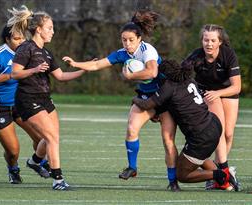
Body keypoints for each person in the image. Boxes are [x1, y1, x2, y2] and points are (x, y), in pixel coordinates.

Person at [63, 10, 180, 191]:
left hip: (164, 97)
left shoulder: (147, 50)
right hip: (145, 96)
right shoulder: (122, 53)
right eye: (124, 40)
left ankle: (173, 181)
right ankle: (132, 168)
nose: (127, 43)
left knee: (167, 140)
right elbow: (96, 64)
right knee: (131, 129)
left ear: (139, 38)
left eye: (131, 40)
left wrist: (130, 76)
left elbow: (152, 72)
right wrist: (76, 64)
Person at [7, 5, 86, 190]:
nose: (53, 31)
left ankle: (35, 161)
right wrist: (33, 70)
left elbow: (61, 76)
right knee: (51, 138)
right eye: (49, 28)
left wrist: (84, 70)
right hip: (27, 99)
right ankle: (58, 180)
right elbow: (14, 74)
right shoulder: (26, 48)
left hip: (44, 99)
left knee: (52, 137)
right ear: (39, 29)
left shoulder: (47, 53)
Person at [132, 59, 240, 191]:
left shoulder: (169, 86)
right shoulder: (188, 79)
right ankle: (223, 181)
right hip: (213, 123)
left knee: (182, 174)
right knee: (194, 157)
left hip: (201, 135)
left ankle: (223, 174)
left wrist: (135, 99)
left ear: (165, 76)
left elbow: (147, 104)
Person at [0, 25, 48, 184]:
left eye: (23, 38)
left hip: (20, 103)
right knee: (13, 151)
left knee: (42, 138)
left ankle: (37, 162)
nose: (21, 41)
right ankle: (13, 168)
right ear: (7, 39)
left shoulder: (28, 51)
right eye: (16, 39)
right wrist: (11, 75)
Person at [182, 24, 241, 190]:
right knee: (219, 131)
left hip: (228, 91)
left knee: (229, 134)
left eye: (213, 40)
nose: (209, 44)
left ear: (220, 41)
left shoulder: (228, 55)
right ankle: (223, 172)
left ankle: (214, 173)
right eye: (205, 40)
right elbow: (180, 73)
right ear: (202, 40)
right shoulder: (196, 55)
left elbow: (236, 87)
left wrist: (219, 92)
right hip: (207, 94)